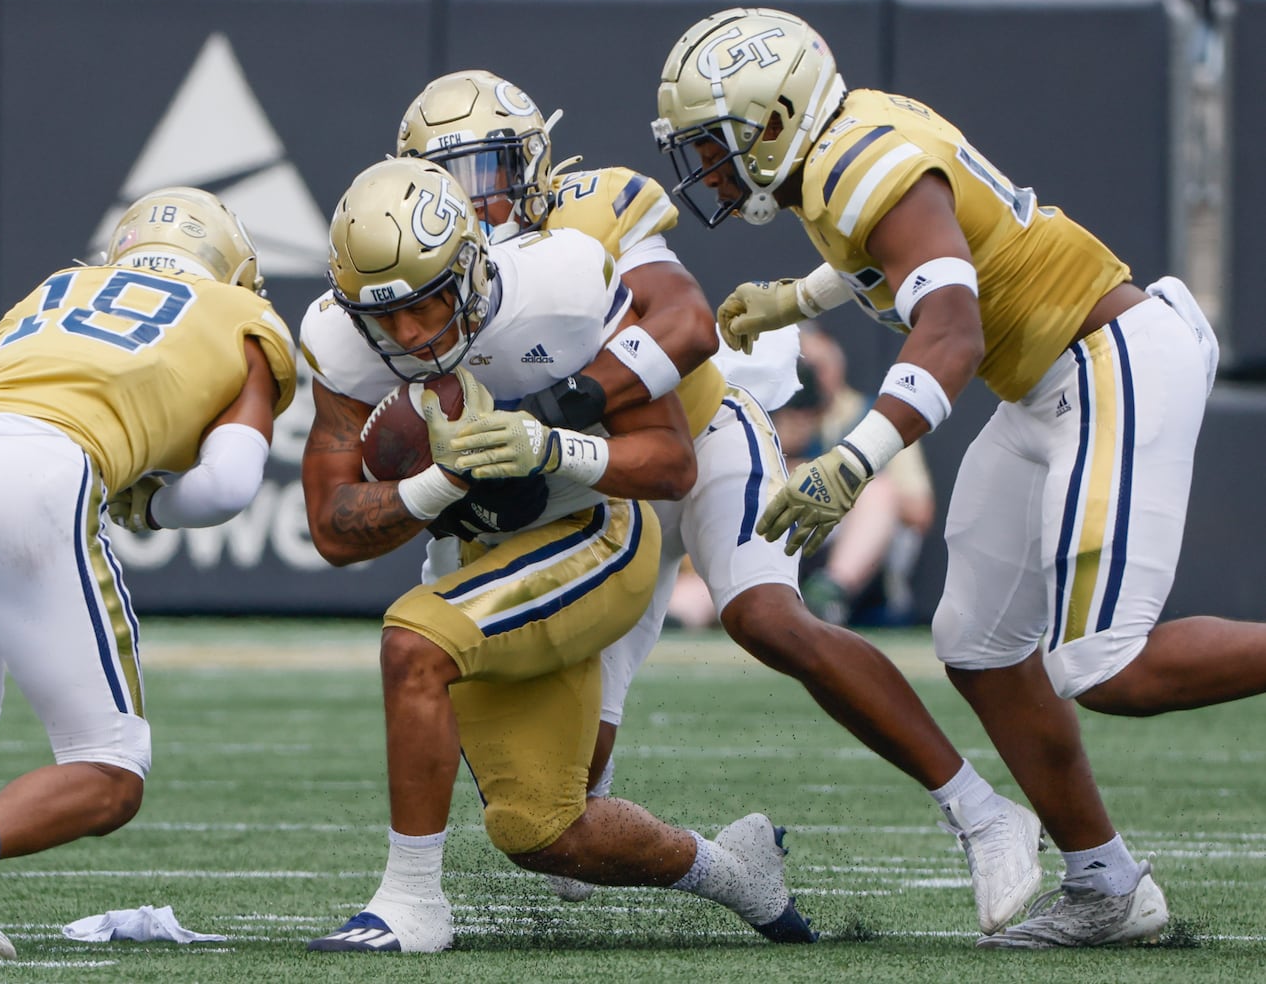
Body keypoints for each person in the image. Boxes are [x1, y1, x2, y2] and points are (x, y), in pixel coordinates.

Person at [393, 69, 1043, 934]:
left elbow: (685, 327)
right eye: (451, 179)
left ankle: (982, 813)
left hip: (697, 435)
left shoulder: (597, 205)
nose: (481, 198)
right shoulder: (417, 280)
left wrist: (554, 412)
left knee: (766, 617)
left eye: (491, 168)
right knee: (561, 816)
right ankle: (735, 863)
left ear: (535, 158)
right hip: (589, 492)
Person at [653, 5, 1244, 947]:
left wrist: (856, 458)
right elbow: (905, 257)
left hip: (1108, 361)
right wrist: (796, 296)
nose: (709, 171)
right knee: (976, 643)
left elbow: (952, 333)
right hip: (1048, 383)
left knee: (1104, 663)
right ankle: (1107, 885)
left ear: (775, 119)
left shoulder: (859, 164)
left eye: (717, 146)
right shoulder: (842, 143)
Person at [298, 155, 817, 954]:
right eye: (385, 315)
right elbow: (333, 528)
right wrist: (440, 483)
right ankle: (736, 871)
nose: (409, 334)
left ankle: (410, 903)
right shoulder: (341, 343)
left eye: (427, 301)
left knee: (415, 642)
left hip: (596, 530)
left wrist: (549, 444)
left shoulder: (564, 287)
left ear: (469, 266)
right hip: (479, 554)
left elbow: (671, 463)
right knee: (539, 829)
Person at [0, 187, 296, 959]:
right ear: (233, 268)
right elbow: (226, 487)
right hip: (38, 473)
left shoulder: (52, 290)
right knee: (110, 773)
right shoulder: (244, 317)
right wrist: (146, 510)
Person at [778, 325, 935, 627]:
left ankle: (829, 592)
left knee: (877, 490)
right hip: (786, 549)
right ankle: (686, 610)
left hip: (861, 560)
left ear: (837, 362)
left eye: (817, 365)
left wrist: (834, 478)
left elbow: (919, 510)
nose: (810, 376)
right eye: (800, 366)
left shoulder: (877, 418)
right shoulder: (771, 417)